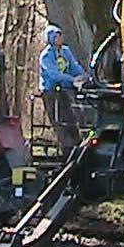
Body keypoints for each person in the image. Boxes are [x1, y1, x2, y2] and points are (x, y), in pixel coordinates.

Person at [39, 24, 88, 154]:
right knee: (59, 121)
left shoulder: (65, 51)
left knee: (71, 118)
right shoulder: (46, 56)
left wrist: (83, 77)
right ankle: (67, 149)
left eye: (60, 35)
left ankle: (78, 146)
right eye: (56, 36)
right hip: (51, 92)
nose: (60, 38)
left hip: (65, 90)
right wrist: (72, 79)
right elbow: (54, 75)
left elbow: (74, 66)